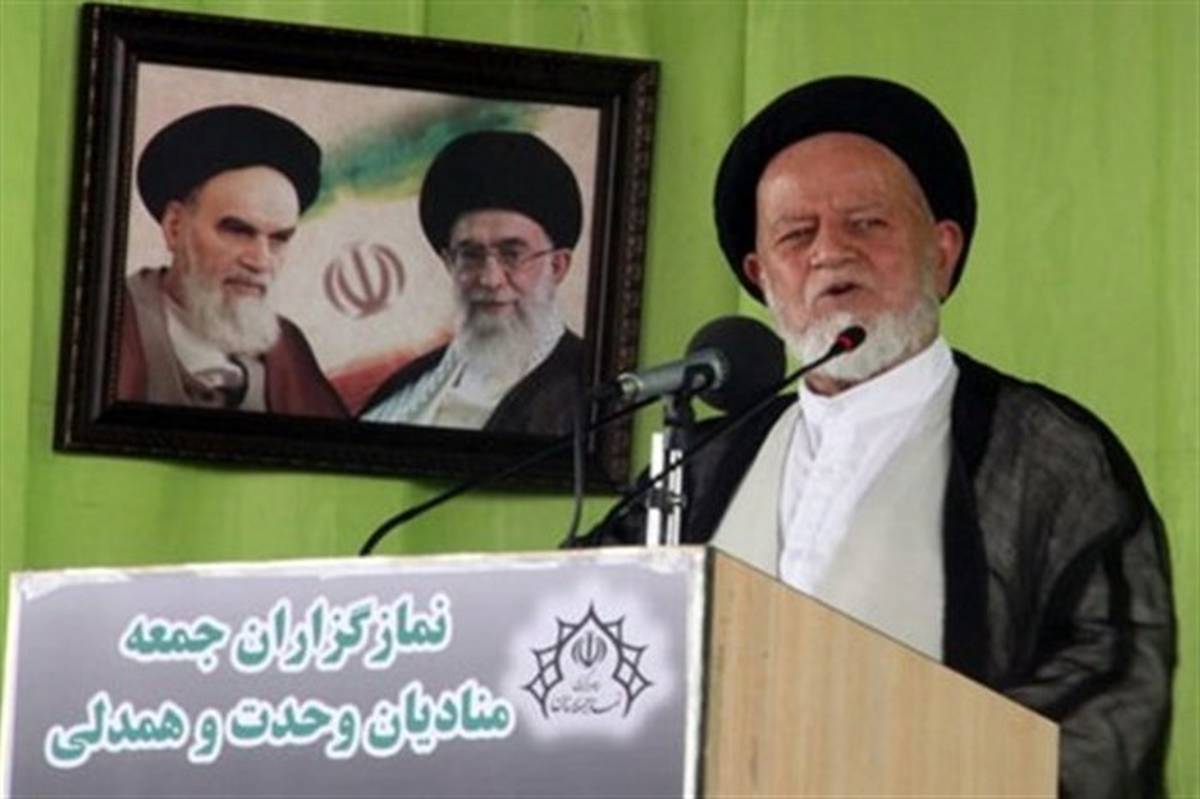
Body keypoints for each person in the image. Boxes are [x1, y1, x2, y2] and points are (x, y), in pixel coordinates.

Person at [578, 76, 1175, 798]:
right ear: (762, 278)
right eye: (796, 235)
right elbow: (577, 637)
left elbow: (1116, 681)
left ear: (942, 252)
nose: (831, 253)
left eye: (867, 223)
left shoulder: (1049, 454)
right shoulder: (706, 460)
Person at [118, 105, 347, 417]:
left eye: (279, 239)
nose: (260, 261)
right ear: (175, 227)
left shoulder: (286, 346)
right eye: (238, 231)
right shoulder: (115, 320)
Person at [359, 131, 585, 435]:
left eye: (512, 254)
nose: (490, 279)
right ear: (449, 263)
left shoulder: (590, 386)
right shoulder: (409, 387)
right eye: (471, 255)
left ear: (557, 266)